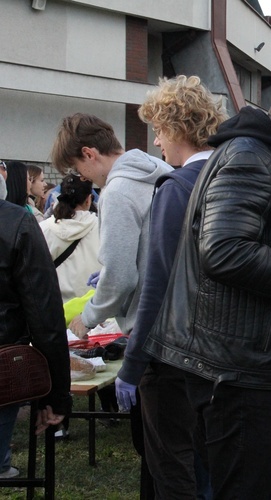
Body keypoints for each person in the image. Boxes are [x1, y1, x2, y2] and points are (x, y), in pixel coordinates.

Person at [142, 66, 271, 499]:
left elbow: (247, 242)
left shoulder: (263, 155)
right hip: (236, 367)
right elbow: (224, 250)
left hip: (242, 359)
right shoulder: (249, 155)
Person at [112, 75, 227, 499]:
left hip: (173, 351)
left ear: (176, 127)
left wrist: (132, 363)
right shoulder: (228, 179)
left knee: (172, 465)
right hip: (220, 348)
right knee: (208, 459)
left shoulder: (178, 188)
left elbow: (156, 285)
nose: (157, 142)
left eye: (158, 130)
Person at [50, 113, 173, 340]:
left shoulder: (117, 191)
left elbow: (121, 277)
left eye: (78, 169)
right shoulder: (160, 168)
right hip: (179, 316)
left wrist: (89, 316)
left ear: (89, 154)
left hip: (150, 329)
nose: (83, 179)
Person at [0, 198, 72, 479]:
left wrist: (54, 394)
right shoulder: (16, 222)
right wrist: (55, 395)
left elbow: (45, 315)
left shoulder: (17, 223)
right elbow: (45, 315)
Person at [38, 174, 101, 303]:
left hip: (54, 307)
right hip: (90, 310)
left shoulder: (42, 229)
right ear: (89, 200)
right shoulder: (103, 227)